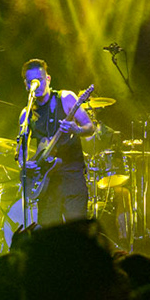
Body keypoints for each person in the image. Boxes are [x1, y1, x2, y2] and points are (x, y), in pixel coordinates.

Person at [15, 58, 97, 226]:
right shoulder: (27, 113)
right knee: (50, 237)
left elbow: (90, 127)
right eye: (32, 82)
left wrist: (77, 130)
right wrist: (24, 163)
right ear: (26, 84)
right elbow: (20, 148)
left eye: (40, 80)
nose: (37, 84)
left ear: (48, 79)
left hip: (71, 178)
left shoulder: (65, 98)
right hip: (46, 184)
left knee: (76, 233)